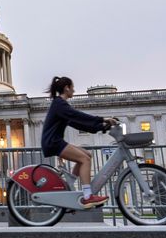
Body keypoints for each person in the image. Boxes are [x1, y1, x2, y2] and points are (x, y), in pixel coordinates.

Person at [41, 76, 117, 208]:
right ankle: (88, 196)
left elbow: (78, 123)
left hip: (55, 141)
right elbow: (78, 116)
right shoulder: (59, 104)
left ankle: (68, 184)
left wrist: (101, 127)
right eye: (72, 88)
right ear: (66, 88)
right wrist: (102, 119)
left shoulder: (60, 105)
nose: (74, 91)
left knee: (87, 154)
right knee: (84, 159)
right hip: (53, 142)